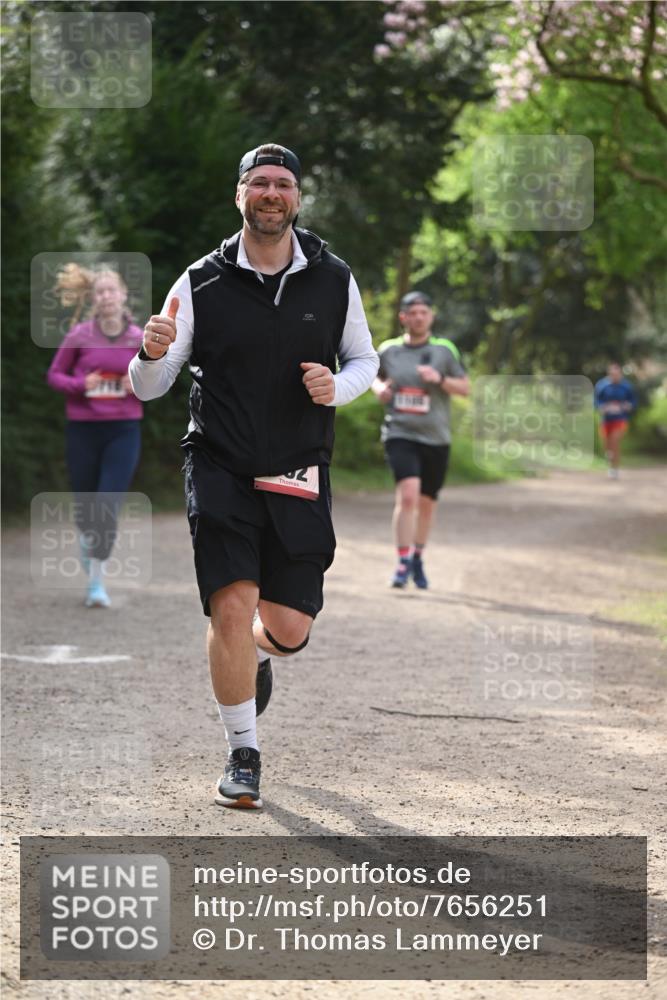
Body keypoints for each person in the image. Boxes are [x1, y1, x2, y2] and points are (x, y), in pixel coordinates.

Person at [128, 143, 378, 809]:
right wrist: (147, 353)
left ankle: (258, 653)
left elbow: (364, 359)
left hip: (297, 466)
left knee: (289, 626)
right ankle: (243, 753)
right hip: (219, 463)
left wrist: (338, 386)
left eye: (283, 184)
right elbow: (150, 385)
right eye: (259, 183)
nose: (272, 193)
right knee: (230, 603)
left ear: (296, 199)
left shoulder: (333, 277)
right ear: (239, 195)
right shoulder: (200, 281)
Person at [47, 265, 144, 608]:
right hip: (83, 430)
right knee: (87, 509)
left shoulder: (138, 338)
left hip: (124, 430)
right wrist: (79, 385)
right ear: (93, 299)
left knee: (107, 505)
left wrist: (139, 384)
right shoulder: (79, 336)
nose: (105, 297)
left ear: (122, 295)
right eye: (99, 292)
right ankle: (91, 548)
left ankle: (96, 585)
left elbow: (158, 380)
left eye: (111, 290)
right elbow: (54, 376)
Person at [371, 290, 469, 590]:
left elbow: (464, 387)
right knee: (409, 495)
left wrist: (439, 380)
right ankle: (401, 563)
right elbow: (369, 375)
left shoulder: (444, 351)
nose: (417, 317)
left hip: (436, 437)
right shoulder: (388, 350)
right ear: (403, 317)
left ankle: (417, 557)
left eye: (423, 313)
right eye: (411, 313)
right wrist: (379, 389)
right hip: (400, 432)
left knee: (426, 504)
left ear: (431, 316)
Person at [594, 362, 637, 479]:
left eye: (617, 374)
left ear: (620, 374)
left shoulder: (626, 386)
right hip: (606, 420)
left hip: (620, 419)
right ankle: (610, 461)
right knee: (607, 445)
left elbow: (633, 401)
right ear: (609, 374)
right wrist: (603, 407)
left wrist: (627, 406)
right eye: (612, 374)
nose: (615, 377)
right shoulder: (602, 385)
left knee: (615, 441)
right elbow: (596, 402)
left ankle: (615, 469)